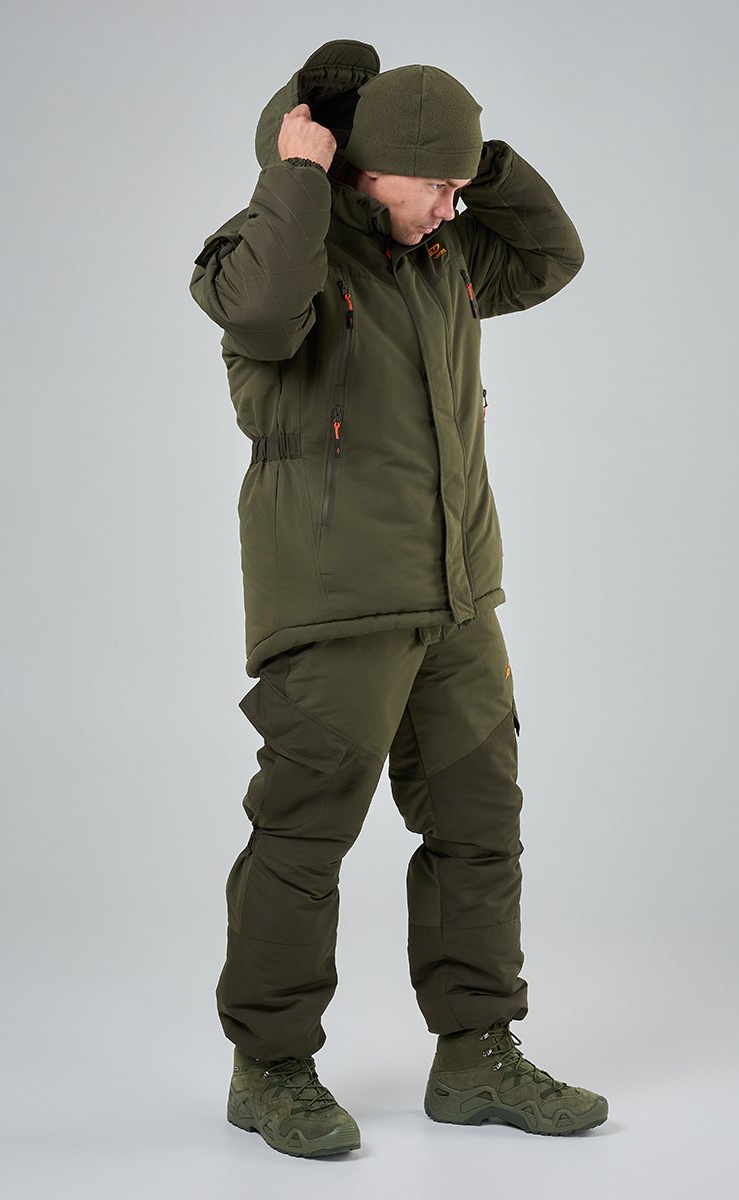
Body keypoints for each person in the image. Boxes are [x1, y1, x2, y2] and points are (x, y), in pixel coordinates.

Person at [189, 38, 608, 1159]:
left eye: (462, 186)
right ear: (364, 169)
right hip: (335, 607)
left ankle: (476, 1055)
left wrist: (474, 159)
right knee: (303, 836)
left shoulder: (445, 256)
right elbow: (261, 317)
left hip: (456, 599)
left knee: (481, 826)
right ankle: (269, 1068)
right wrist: (298, 170)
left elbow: (553, 254)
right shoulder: (271, 247)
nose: (452, 206)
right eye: (436, 183)